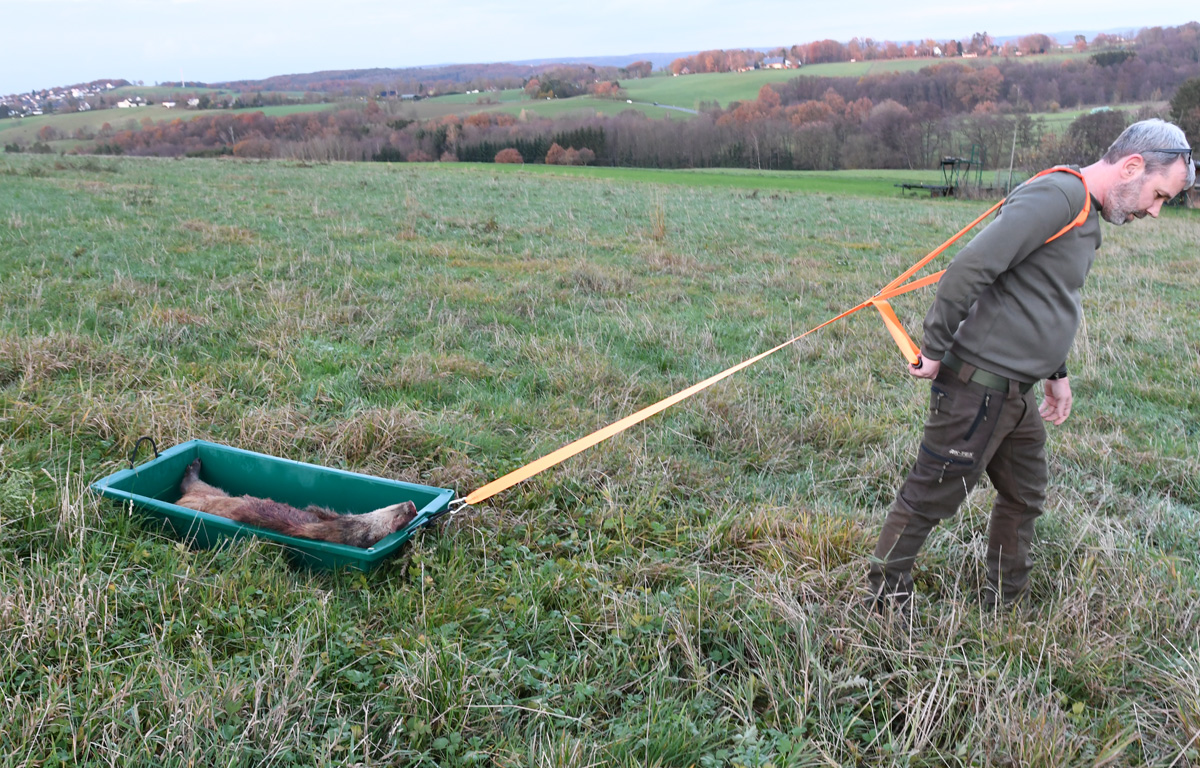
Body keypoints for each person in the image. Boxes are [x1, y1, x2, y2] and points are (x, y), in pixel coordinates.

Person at [869, 118, 1195, 612]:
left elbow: (1043, 297)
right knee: (929, 499)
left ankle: (1005, 602)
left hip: (1016, 394)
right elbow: (971, 268)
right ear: (1132, 166)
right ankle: (882, 601)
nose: (1154, 211)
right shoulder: (1059, 197)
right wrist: (934, 349)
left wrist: (1056, 376)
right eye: (1158, 195)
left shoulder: (1084, 213)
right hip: (977, 387)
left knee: (1025, 495)